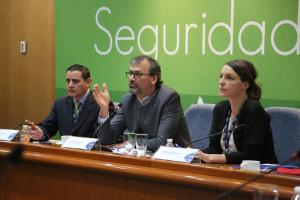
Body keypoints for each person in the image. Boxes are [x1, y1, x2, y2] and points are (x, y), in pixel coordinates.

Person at [93, 55, 191, 152]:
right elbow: (106, 140)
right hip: (141, 158)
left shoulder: (169, 98)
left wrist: (129, 144)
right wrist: (104, 110)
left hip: (174, 161)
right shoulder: (127, 100)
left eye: (137, 74)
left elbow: (162, 142)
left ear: (153, 79)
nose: (131, 78)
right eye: (130, 73)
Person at [198, 60, 278, 164]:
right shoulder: (220, 108)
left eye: (229, 78)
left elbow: (251, 155)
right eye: (221, 76)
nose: (221, 81)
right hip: (231, 169)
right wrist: (196, 154)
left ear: (245, 85)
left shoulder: (253, 110)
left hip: (261, 174)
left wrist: (213, 158)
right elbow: (214, 149)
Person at [27, 64, 114, 141]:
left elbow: (111, 136)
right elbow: (48, 127)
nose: (70, 85)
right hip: (66, 155)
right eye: (68, 81)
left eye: (75, 81)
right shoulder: (60, 103)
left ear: (88, 82)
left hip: (92, 156)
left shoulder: (101, 103)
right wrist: (41, 132)